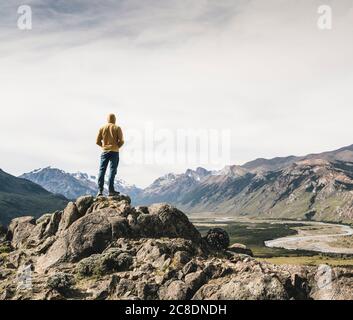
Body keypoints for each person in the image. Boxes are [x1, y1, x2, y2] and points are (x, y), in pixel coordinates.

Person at [96, 113, 124, 196]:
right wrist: (116, 147)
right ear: (114, 119)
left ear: (107, 119)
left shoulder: (102, 128)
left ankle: (100, 191)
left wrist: (104, 147)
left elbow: (97, 141)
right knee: (112, 170)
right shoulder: (117, 127)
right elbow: (122, 141)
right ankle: (111, 191)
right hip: (114, 152)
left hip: (105, 151)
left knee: (102, 170)